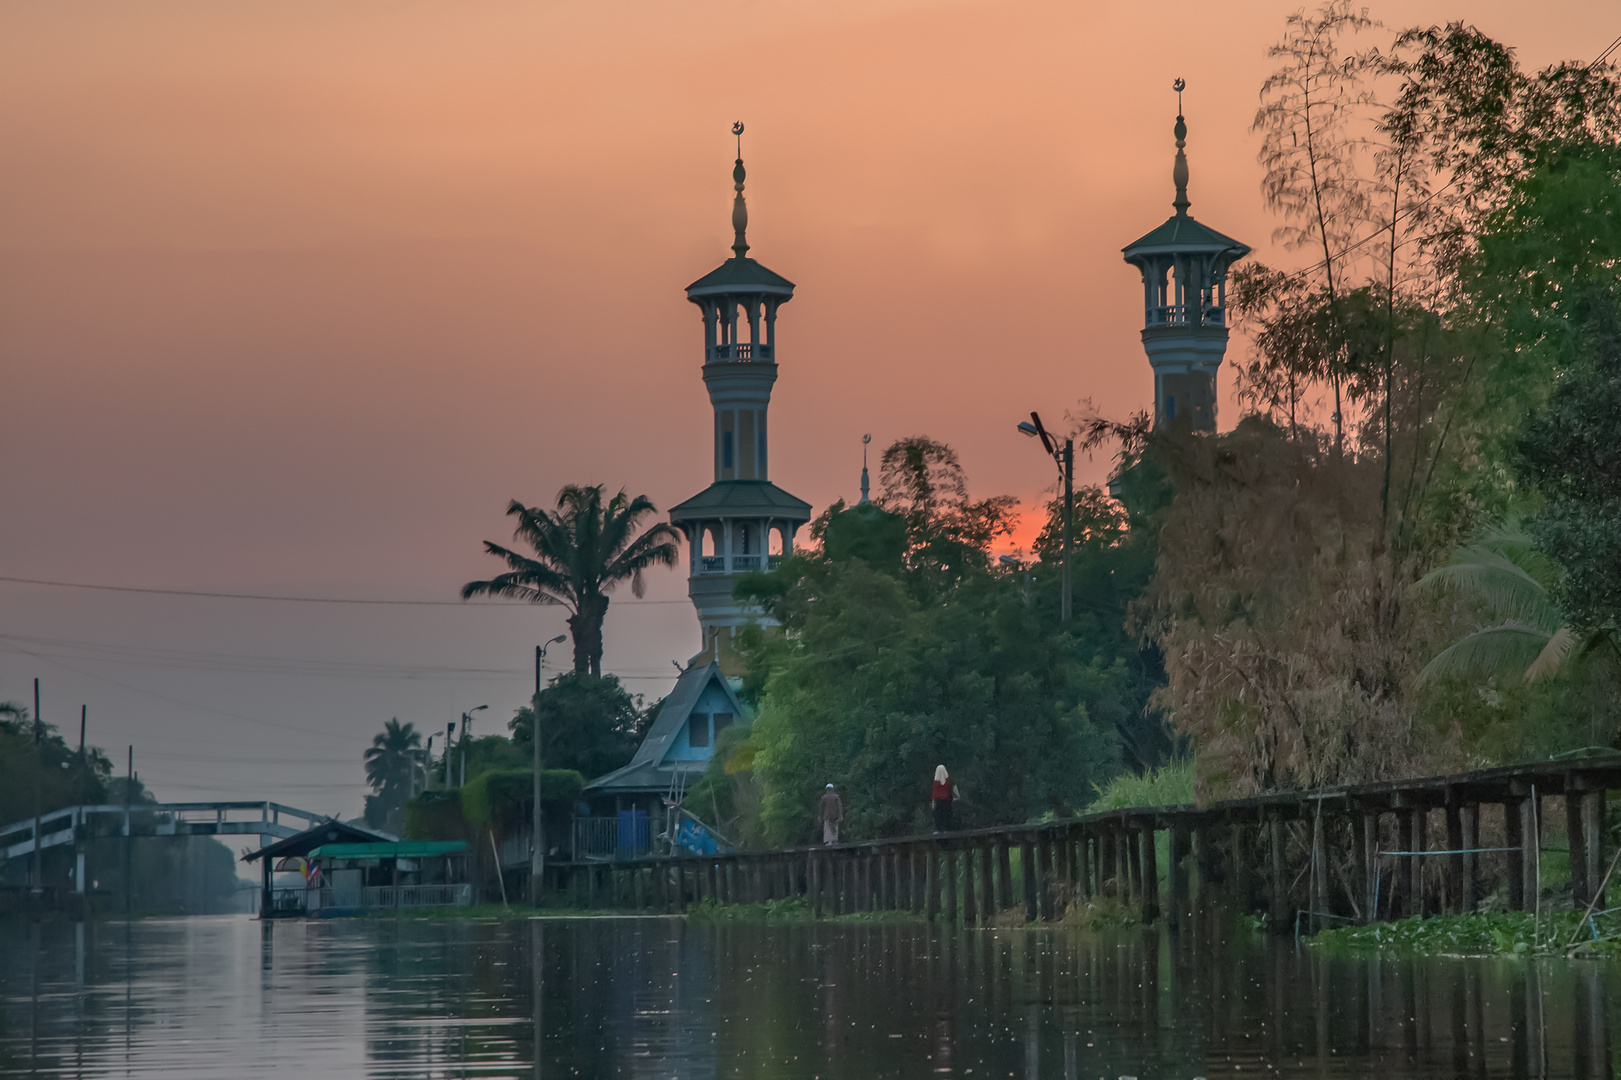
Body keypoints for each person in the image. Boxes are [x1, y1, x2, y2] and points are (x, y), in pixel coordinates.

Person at [932, 765, 954, 832]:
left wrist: (933, 802)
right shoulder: (947, 782)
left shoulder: (936, 782)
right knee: (946, 815)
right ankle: (946, 829)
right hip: (946, 801)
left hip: (938, 802)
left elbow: (934, 793)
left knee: (938, 816)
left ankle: (939, 829)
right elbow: (949, 791)